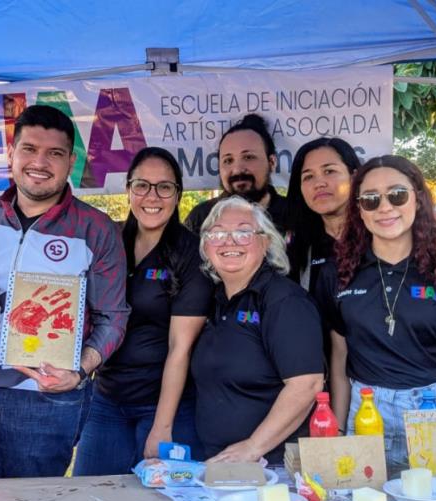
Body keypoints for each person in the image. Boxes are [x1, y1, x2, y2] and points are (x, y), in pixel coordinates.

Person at [0, 104, 128, 479]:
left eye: (54, 153)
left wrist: (78, 371)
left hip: (46, 400)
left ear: (70, 161)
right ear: (11, 154)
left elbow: (114, 317)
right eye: (29, 149)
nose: (40, 162)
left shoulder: (95, 229)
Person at [315, 155, 436, 489]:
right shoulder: (335, 275)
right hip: (365, 411)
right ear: (359, 209)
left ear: (418, 199)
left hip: (433, 411)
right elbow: (339, 361)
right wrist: (339, 436)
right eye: (371, 199)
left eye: (397, 195)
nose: (385, 207)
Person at [73, 148, 212, 474]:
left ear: (178, 194)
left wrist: (162, 427)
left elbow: (181, 348)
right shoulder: (108, 240)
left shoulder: (191, 252)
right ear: (128, 189)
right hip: (106, 399)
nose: (153, 196)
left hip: (167, 406)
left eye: (164, 187)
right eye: (142, 186)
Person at [190, 197, 324, 465]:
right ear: (205, 246)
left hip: (271, 465)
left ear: (266, 243)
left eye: (243, 232)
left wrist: (253, 447)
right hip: (220, 462)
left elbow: (305, 385)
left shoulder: (284, 301)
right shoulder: (215, 299)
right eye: (217, 233)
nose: (229, 241)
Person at [184, 114, 288, 234]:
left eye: (248, 157)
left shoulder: (295, 215)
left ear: (272, 162)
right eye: (228, 160)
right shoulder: (201, 218)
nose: (238, 169)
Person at [285, 137, 361, 293]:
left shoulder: (380, 237)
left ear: (354, 177)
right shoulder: (298, 248)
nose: (319, 183)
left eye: (329, 171)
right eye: (308, 177)